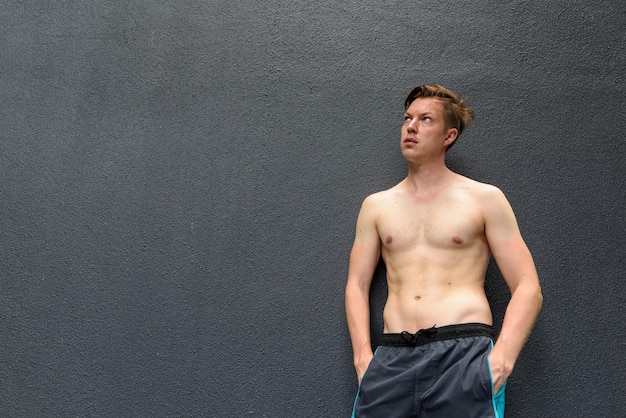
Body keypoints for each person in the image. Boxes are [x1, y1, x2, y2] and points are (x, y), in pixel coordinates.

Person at [345, 84, 543, 418]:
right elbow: (357, 285)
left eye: (425, 119)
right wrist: (364, 360)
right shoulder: (376, 206)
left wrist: (501, 363)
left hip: (463, 356)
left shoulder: (484, 199)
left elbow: (528, 287)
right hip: (392, 360)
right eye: (408, 118)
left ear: (449, 136)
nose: (411, 126)